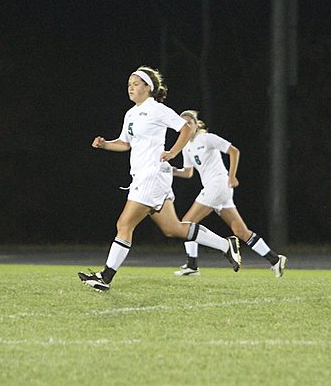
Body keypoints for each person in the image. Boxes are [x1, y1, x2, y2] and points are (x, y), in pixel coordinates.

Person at [78, 67, 242, 291]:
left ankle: (105, 276)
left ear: (148, 87)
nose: (131, 87)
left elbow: (185, 129)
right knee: (172, 228)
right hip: (146, 176)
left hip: (152, 175)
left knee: (124, 224)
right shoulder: (131, 114)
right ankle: (226, 245)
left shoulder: (157, 109)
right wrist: (105, 144)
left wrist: (173, 152)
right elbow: (125, 144)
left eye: (136, 83)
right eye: (129, 84)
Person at [172, 110, 286, 277]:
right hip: (219, 189)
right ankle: (275, 260)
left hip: (218, 184)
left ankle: (193, 264)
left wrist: (231, 176)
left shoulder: (207, 138)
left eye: (191, 122)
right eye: (184, 123)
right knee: (241, 231)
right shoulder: (186, 147)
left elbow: (234, 151)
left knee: (187, 223)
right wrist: (172, 171)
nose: (188, 125)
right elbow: (188, 173)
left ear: (197, 125)